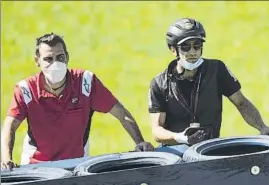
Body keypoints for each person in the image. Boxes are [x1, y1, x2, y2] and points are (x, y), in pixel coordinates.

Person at [1, 33, 154, 170]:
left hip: (77, 165)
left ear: (67, 57)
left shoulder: (85, 82)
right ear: (37, 61)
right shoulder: (26, 90)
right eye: (48, 59)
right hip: (36, 167)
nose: (55, 64)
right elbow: (10, 125)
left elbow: (121, 113)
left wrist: (140, 142)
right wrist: (7, 159)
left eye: (60, 57)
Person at [148, 18, 269, 157]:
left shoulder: (217, 70)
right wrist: (180, 138)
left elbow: (241, 103)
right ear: (173, 50)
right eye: (186, 47)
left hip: (207, 149)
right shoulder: (159, 83)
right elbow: (157, 130)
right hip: (175, 151)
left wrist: (262, 127)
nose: (192, 52)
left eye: (197, 46)